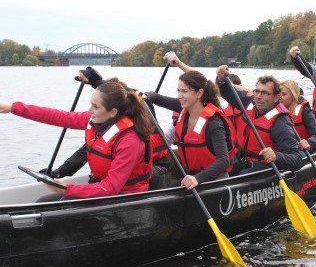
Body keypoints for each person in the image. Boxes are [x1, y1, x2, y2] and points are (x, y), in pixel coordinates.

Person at [0, 81, 153, 200]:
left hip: (124, 196)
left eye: (95, 107)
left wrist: (68, 189)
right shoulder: (94, 119)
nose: (89, 111)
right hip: (100, 188)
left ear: (113, 112)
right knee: (43, 202)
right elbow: (56, 116)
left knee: (61, 204)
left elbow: (111, 187)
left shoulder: (129, 140)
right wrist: (13, 108)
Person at [40, 68, 170, 191]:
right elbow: (87, 150)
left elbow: (129, 93)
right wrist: (59, 172)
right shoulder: (109, 122)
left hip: (153, 171)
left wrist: (95, 82)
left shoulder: (142, 112)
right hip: (119, 177)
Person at [142, 70, 236, 190]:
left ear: (199, 93)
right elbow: (157, 98)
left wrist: (198, 178)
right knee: (162, 193)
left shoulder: (213, 123)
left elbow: (224, 161)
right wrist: (146, 96)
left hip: (213, 180)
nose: (179, 96)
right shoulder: (184, 108)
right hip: (191, 177)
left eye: (184, 91)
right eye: (178, 91)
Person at [216, 66, 303, 175]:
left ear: (277, 97)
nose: (258, 96)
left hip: (262, 168)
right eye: (256, 91)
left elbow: (296, 160)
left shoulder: (280, 121)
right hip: (241, 161)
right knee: (216, 169)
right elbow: (227, 92)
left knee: (241, 174)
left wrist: (277, 156)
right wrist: (221, 79)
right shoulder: (250, 101)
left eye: (265, 93)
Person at [280, 79, 316, 154]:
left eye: (284, 94)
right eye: (278, 94)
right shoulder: (272, 110)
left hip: (300, 152)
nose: (279, 98)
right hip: (281, 152)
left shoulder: (305, 112)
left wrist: (309, 143)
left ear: (294, 95)